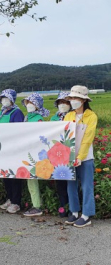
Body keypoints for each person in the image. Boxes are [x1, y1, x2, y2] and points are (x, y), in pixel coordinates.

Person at [64, 86, 97, 228]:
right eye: (71, 98)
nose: (73, 101)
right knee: (71, 185)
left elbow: (87, 139)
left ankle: (86, 215)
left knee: (86, 185)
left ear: (83, 100)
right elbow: (64, 136)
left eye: (76, 98)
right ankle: (74, 211)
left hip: (86, 157)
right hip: (70, 156)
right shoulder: (68, 116)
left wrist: (80, 156)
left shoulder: (91, 116)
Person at [0, 89, 25, 214]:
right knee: (5, 175)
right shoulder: (1, 113)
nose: (4, 101)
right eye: (2, 98)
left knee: (14, 176)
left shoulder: (16, 112)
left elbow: (19, 131)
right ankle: (9, 198)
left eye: (6, 98)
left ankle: (16, 202)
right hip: (2, 149)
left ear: (12, 99)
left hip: (13, 149)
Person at [21, 93, 50, 217]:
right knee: (30, 179)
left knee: (32, 179)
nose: (29, 105)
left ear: (37, 105)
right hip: (27, 151)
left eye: (31, 103)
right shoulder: (27, 117)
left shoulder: (38, 118)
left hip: (34, 153)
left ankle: (37, 206)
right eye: (27, 102)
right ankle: (36, 204)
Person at [50, 92, 71, 217]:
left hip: (70, 152)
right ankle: (63, 205)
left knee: (71, 182)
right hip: (57, 154)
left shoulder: (73, 116)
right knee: (60, 181)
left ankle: (72, 206)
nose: (62, 105)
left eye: (65, 102)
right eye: (60, 102)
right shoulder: (54, 117)